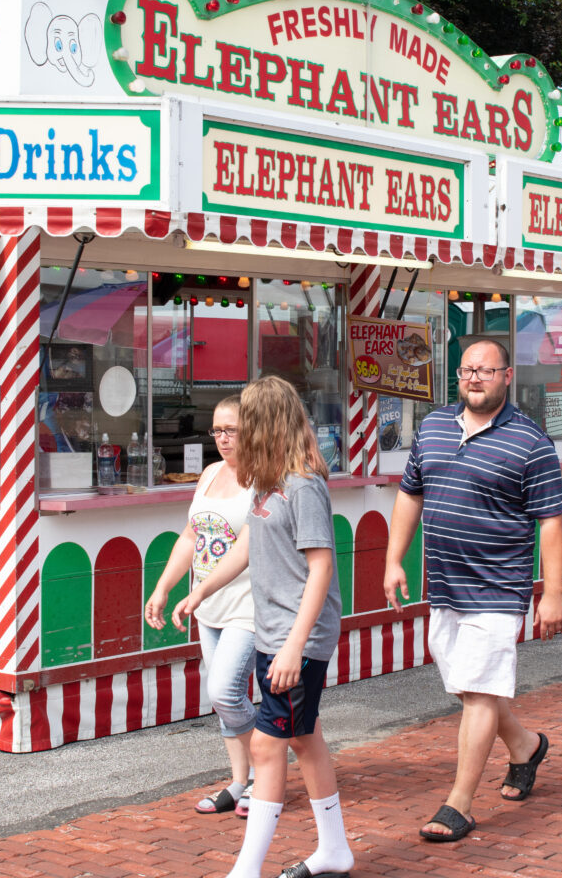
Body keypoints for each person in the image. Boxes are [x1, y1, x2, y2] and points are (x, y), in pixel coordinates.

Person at [384, 338, 562, 843]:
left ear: (507, 376)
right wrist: (393, 560)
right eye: (467, 371)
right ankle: (526, 746)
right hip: (444, 583)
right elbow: (409, 495)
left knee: (480, 691)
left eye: (486, 371)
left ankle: (458, 804)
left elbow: (551, 520)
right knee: (470, 685)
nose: (475, 379)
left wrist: (552, 594)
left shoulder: (531, 442)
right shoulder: (434, 426)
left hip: (498, 586)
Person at [173, 376, 354, 878]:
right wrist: (201, 590)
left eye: (244, 422)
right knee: (305, 737)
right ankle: (334, 849)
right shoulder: (267, 481)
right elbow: (247, 546)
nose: (233, 434)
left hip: (295, 637)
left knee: (266, 745)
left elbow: (321, 568)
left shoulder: (302, 485)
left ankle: (246, 869)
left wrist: (295, 646)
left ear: (265, 424)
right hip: (276, 631)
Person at [145, 395, 256, 817]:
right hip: (206, 606)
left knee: (225, 689)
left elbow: (246, 550)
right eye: (217, 431)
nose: (223, 439)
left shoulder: (264, 478)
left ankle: (266, 773)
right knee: (223, 697)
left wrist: (200, 591)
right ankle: (239, 781)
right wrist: (163, 588)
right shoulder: (209, 473)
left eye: (232, 430)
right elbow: (191, 536)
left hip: (247, 603)